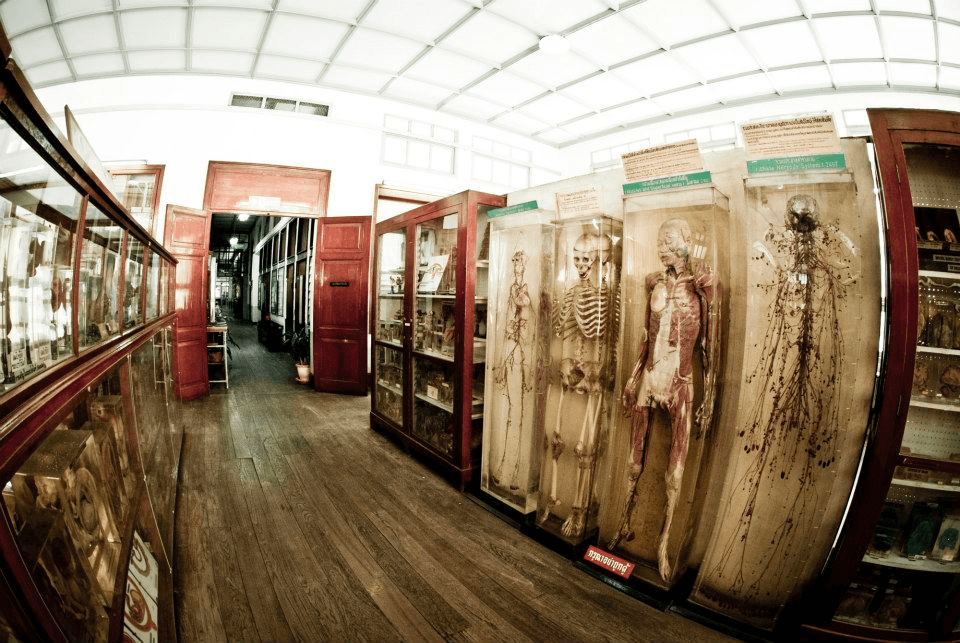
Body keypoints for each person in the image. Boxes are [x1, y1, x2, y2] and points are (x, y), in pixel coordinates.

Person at [609, 218, 719, 580]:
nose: (662, 247)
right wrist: (633, 376)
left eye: (669, 241)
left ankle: (664, 544)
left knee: (675, 468)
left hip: (680, 380)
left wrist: (711, 396)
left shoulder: (704, 285)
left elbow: (710, 346)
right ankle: (623, 523)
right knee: (633, 457)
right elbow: (646, 335)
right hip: (651, 375)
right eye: (660, 241)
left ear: (687, 241)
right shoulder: (652, 282)